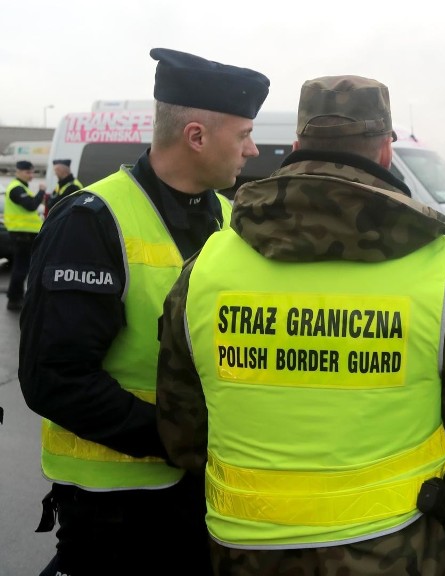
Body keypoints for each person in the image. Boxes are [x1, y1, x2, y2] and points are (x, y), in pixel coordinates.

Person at [155, 74, 445, 576]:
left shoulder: (206, 267)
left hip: (243, 551)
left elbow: (182, 435)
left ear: (295, 147)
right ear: (385, 152)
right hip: (396, 549)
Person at [18, 47, 270, 576]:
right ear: (196, 136)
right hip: (116, 512)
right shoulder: (92, 221)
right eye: (244, 133)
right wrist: (178, 441)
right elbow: (54, 378)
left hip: (211, 500)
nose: (253, 148)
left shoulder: (232, 221)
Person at [5, 159, 45, 310]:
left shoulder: (22, 187)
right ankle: (14, 300)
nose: (31, 175)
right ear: (18, 172)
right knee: (21, 268)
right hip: (22, 233)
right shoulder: (17, 188)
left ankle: (16, 297)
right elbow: (30, 206)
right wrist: (41, 191)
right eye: (28, 172)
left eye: (32, 172)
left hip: (25, 233)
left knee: (22, 267)